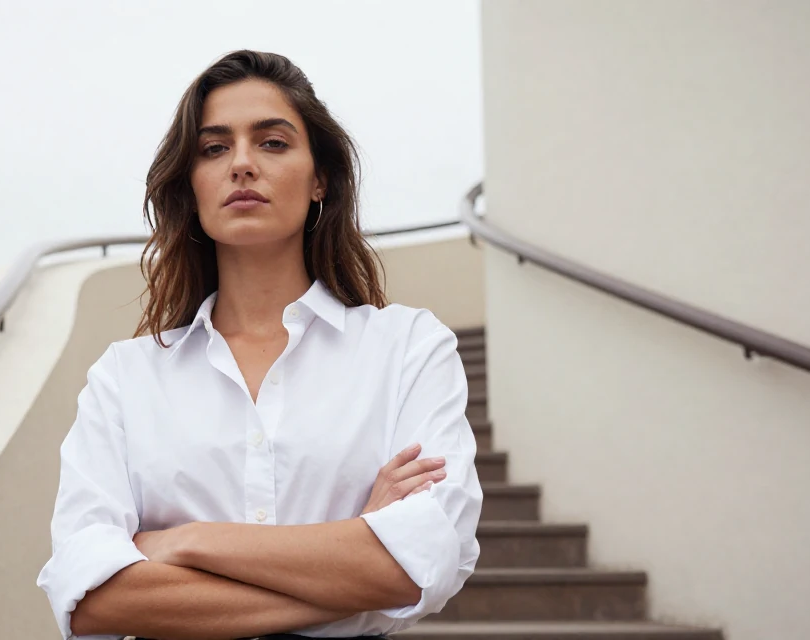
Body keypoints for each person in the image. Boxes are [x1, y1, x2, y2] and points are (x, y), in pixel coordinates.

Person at [37, 50, 482, 640]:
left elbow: (420, 560)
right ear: (190, 184)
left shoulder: (408, 348)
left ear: (320, 177)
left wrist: (182, 542)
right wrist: (351, 554)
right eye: (214, 148)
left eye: (272, 143)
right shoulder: (125, 377)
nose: (242, 164)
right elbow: (93, 600)